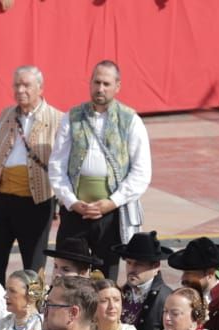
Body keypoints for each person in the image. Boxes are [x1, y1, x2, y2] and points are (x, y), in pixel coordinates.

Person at [47, 60, 150, 280]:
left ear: (117, 86)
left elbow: (141, 172)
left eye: (106, 83)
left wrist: (111, 202)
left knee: (105, 276)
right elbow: (57, 165)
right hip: (76, 212)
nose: (100, 88)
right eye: (96, 82)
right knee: (68, 273)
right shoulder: (72, 117)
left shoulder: (131, 120)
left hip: (110, 215)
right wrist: (72, 201)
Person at [0, 65, 61, 276]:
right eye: (16, 85)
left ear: (40, 88)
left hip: (36, 202)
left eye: (26, 85)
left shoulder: (57, 119)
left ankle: (34, 309)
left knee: (34, 267)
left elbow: (62, 164)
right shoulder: (6, 114)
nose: (20, 90)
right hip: (2, 200)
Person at [168, 237, 219, 330]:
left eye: (189, 273)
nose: (183, 278)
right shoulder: (184, 297)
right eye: (184, 272)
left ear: (210, 274)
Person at [115, 230, 171, 330]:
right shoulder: (121, 292)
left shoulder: (167, 299)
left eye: (139, 264)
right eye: (129, 263)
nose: (131, 269)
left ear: (156, 266)